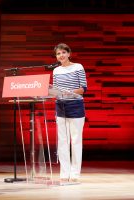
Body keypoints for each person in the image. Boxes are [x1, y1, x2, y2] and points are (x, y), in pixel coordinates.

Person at [52, 43, 87, 183]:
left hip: (75, 106)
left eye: (63, 53)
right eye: (58, 54)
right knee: (62, 141)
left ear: (69, 53)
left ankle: (75, 173)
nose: (61, 55)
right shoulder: (55, 71)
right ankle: (64, 172)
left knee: (76, 140)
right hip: (60, 106)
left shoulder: (78, 67)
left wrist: (68, 93)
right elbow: (55, 89)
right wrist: (56, 93)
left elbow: (83, 89)